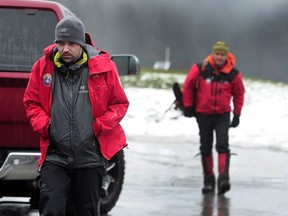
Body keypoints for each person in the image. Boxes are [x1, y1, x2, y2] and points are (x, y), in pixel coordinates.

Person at [23, 16, 129, 216]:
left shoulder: (103, 68)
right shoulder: (42, 67)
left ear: (81, 43)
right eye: (61, 43)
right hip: (55, 157)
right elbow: (31, 102)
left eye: (71, 43)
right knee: (51, 211)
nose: (65, 49)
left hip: (90, 158)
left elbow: (119, 103)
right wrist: (46, 126)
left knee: (86, 211)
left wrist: (98, 126)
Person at [182, 41, 245, 195]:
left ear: (227, 56)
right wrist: (188, 106)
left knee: (222, 145)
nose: (219, 57)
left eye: (222, 54)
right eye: (217, 54)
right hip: (203, 114)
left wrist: (237, 114)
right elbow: (188, 86)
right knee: (205, 147)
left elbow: (239, 94)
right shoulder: (201, 68)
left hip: (222, 115)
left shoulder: (233, 74)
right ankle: (208, 181)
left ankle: (223, 179)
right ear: (212, 54)